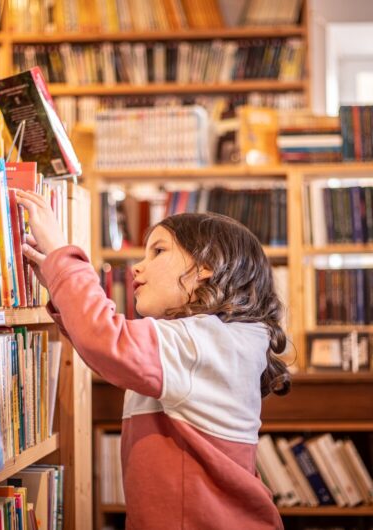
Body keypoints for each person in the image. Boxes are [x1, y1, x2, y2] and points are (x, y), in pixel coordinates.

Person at [16, 189, 291, 530]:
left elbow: (107, 342)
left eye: (158, 250)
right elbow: (109, 355)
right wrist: (61, 288)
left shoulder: (206, 341)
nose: (137, 268)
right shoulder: (208, 339)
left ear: (206, 266)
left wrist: (62, 258)